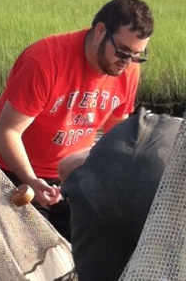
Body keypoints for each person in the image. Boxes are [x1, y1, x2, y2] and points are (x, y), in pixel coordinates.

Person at [0, 0, 154, 240]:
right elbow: (7, 132)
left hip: (72, 173)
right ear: (100, 31)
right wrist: (31, 180)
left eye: (136, 55)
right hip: (17, 172)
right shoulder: (45, 60)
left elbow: (117, 132)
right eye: (123, 51)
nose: (128, 63)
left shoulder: (128, 70)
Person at [60, 108, 182, 281]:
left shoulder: (126, 132)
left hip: (94, 192)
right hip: (154, 194)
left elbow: (66, 165)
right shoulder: (176, 141)